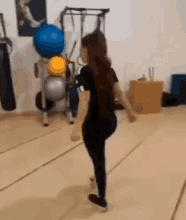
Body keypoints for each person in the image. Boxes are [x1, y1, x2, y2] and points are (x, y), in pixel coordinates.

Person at [70, 30, 137, 211]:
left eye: (83, 49)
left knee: (99, 159)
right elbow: (120, 94)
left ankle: (102, 199)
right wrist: (130, 112)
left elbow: (84, 103)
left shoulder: (84, 73)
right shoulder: (109, 70)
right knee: (98, 153)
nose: (81, 53)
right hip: (111, 123)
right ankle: (96, 175)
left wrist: (76, 129)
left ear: (88, 51)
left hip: (93, 127)